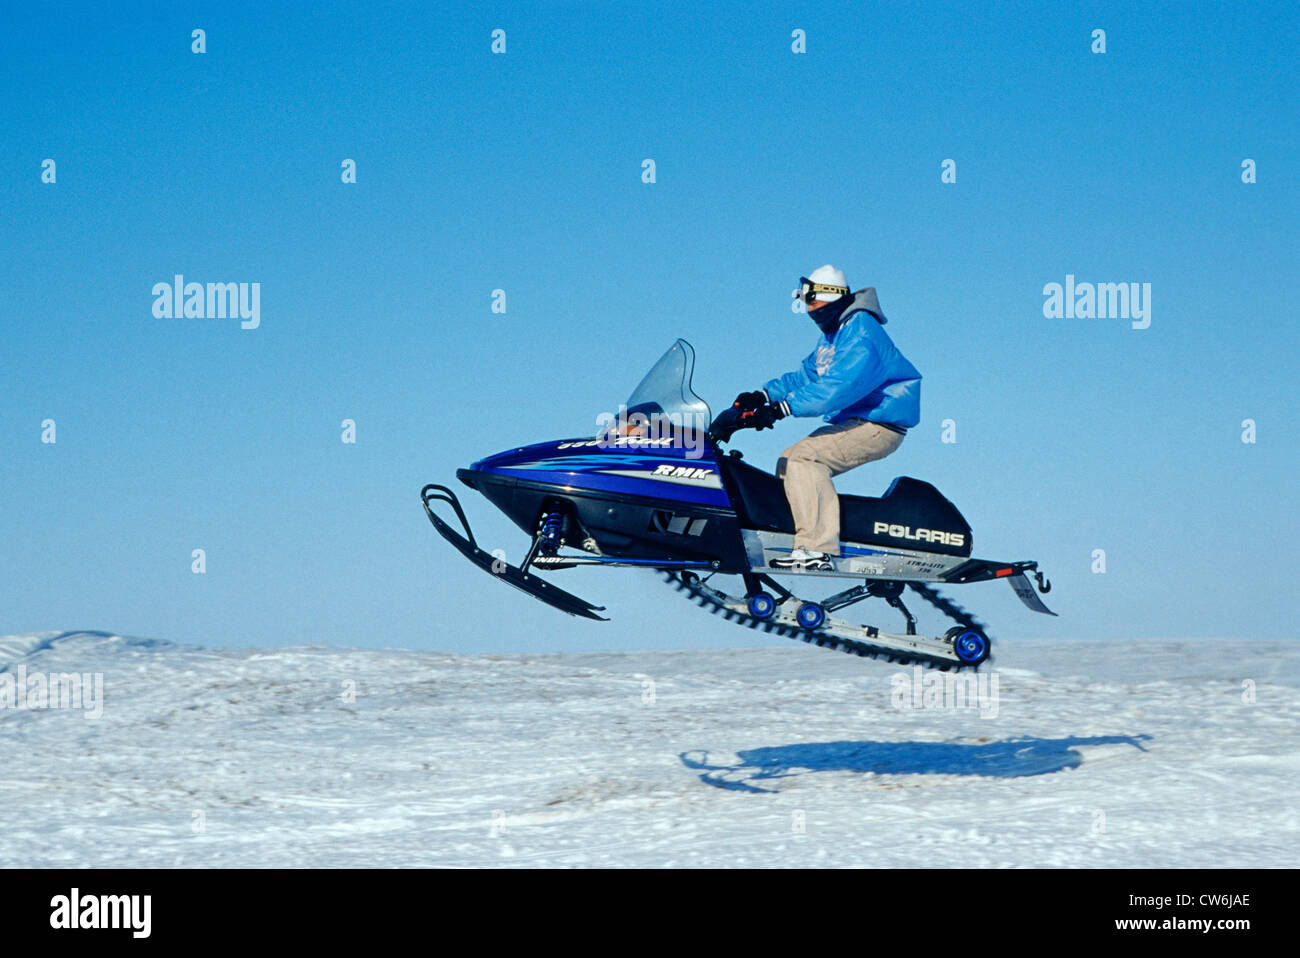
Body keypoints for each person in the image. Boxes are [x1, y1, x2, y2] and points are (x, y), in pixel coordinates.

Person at [716, 265, 921, 571]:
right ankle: (794, 541)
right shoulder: (835, 333)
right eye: (804, 301)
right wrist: (763, 396)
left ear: (830, 297)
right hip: (858, 422)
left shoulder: (861, 332)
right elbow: (807, 376)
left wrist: (781, 409)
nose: (808, 309)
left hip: (880, 424)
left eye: (811, 301)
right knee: (789, 461)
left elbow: (838, 387)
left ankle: (817, 549)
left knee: (805, 460)